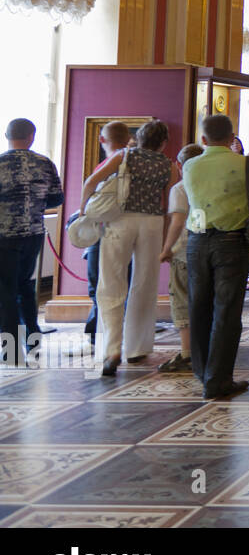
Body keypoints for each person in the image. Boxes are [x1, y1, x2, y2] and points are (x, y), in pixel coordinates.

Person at [184, 114, 249, 399]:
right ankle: (218, 378)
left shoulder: (190, 165)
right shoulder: (244, 163)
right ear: (232, 137)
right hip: (231, 241)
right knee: (227, 311)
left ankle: (201, 372)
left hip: (196, 241)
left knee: (198, 308)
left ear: (203, 139)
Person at [84, 118, 177, 374]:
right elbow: (170, 206)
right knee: (144, 285)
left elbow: (91, 182)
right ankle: (137, 348)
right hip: (152, 224)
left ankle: (112, 348)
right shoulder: (169, 166)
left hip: (120, 220)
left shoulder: (124, 156)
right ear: (163, 143)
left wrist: (84, 212)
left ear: (139, 137)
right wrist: (167, 242)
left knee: (111, 283)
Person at [0, 118, 63, 366]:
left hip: (4, 235)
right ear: (32, 136)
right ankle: (33, 341)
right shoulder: (45, 163)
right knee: (26, 286)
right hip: (34, 233)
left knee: (5, 290)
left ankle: (11, 350)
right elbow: (56, 199)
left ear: (6, 135)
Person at [82, 120, 131, 347]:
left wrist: (82, 213)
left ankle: (100, 332)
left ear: (102, 140)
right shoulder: (134, 161)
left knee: (98, 283)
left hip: (103, 228)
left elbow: (90, 185)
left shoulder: (108, 163)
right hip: (130, 230)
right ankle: (116, 332)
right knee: (124, 282)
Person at [157, 143, 204, 373]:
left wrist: (166, 248)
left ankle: (187, 352)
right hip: (206, 248)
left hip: (184, 250)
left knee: (181, 300)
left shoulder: (180, 188)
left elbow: (177, 221)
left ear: (179, 165)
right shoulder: (210, 183)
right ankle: (204, 348)